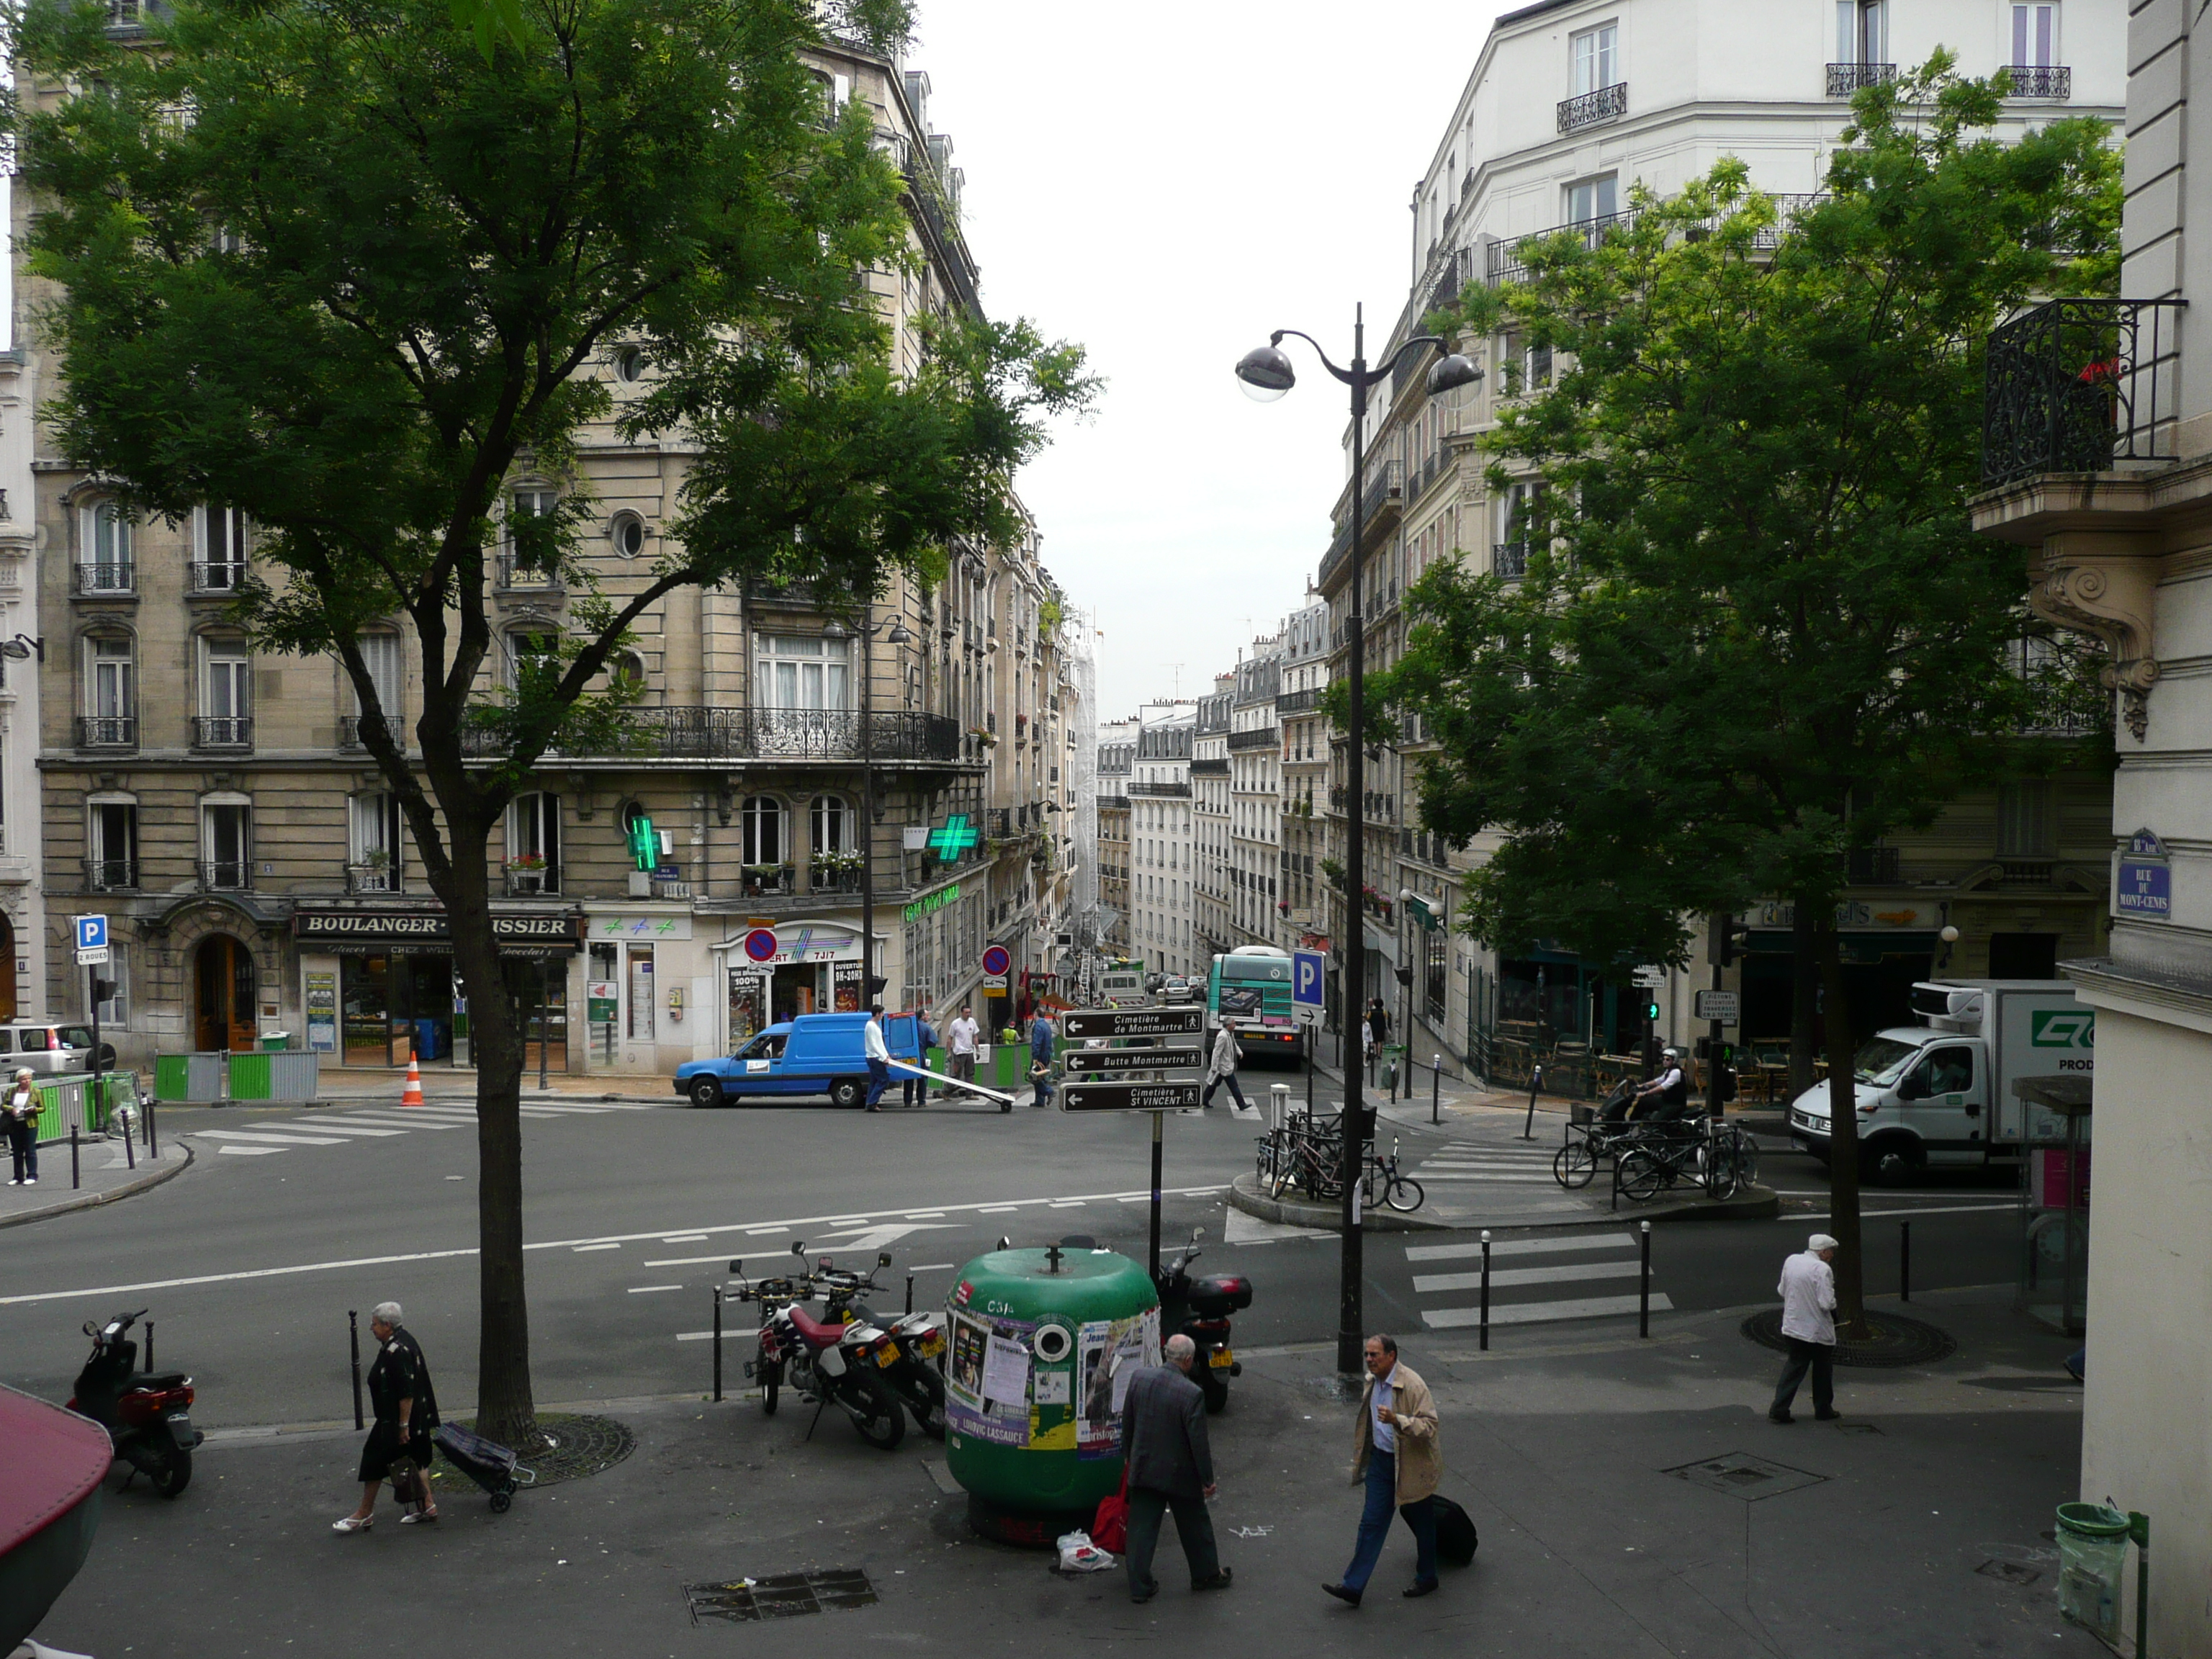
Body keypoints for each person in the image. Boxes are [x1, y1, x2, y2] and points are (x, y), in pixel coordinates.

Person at [1324, 1333, 1440, 1606]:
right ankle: (1353, 1587)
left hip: (1411, 1465)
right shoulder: (1372, 1381)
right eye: (1367, 1354)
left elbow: (1430, 1426)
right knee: (1371, 1522)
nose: (1368, 1360)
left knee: (1422, 1521)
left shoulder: (1413, 1385)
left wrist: (1398, 1420)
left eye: (1374, 1355)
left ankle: (1428, 1576)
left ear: (1392, 1356)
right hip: (1381, 1461)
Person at [1120, 1334, 1232, 1604]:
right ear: (1189, 1360)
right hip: (1179, 1473)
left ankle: (1139, 1585)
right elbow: (1199, 1443)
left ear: (1165, 1353)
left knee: (1141, 1528)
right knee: (1195, 1523)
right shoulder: (1192, 1394)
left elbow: (1128, 1421)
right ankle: (1205, 1575)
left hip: (1145, 1466)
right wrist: (1207, 1480)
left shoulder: (1139, 1379)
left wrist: (1128, 1457)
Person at [335, 1302, 441, 1531]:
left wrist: (403, 1426)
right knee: (415, 1459)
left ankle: (364, 1513)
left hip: (397, 1421)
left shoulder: (397, 1351)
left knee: (373, 1460)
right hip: (414, 1419)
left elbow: (406, 1392)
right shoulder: (403, 1340)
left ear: (387, 1325)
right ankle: (427, 1506)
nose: (371, 1328)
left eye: (374, 1324)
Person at [1770, 1233, 1841, 1424]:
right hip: (1816, 1331)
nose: (1832, 1255)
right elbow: (1826, 1303)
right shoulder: (1822, 1269)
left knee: (1794, 1367)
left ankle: (1779, 1407)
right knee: (1822, 1370)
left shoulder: (1792, 1260)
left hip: (1793, 1326)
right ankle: (1823, 1408)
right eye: (1831, 1252)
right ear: (1824, 1252)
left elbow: (1782, 1291)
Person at [1632, 1047, 1691, 1120]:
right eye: (1663, 1059)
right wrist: (1642, 1085)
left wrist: (1645, 1093)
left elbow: (1663, 1087)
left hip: (1675, 1104)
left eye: (1668, 1059)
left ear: (1674, 1060)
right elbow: (1658, 1081)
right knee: (1643, 1102)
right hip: (1666, 1101)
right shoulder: (1669, 1070)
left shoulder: (1676, 1072)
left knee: (1657, 1122)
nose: (1665, 1061)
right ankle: (1631, 1125)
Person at [1201, 1022, 1248, 1112]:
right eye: (1233, 1024)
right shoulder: (1222, 1036)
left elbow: (1234, 1044)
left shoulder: (1230, 1034)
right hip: (1223, 1067)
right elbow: (1216, 1052)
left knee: (1213, 1085)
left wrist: (1239, 1052)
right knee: (1234, 1086)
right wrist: (1214, 1066)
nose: (1235, 1025)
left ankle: (1204, 1100)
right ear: (1228, 1025)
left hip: (1225, 1067)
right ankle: (1241, 1104)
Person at [4, 1068, 39, 1187]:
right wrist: (11, 1109)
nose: (27, 1081)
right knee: (17, 1152)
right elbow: (3, 1105)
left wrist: (34, 1109)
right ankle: (18, 1177)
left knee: (30, 1151)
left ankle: (32, 1175)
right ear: (19, 1080)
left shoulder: (36, 1092)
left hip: (30, 1124)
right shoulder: (12, 1091)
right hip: (14, 1124)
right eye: (24, 1079)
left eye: (29, 1079)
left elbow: (42, 1107)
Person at [906, 1008, 939, 1107]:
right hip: (921, 1054)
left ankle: (907, 1102)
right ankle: (921, 1101)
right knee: (922, 1079)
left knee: (908, 1078)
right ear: (922, 1017)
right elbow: (933, 1041)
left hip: (909, 1055)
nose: (928, 1018)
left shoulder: (908, 1026)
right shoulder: (926, 1027)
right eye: (927, 1016)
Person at [862, 1007, 893, 1112]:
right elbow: (873, 1044)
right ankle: (872, 1103)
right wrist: (883, 1057)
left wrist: (886, 1055)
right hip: (874, 1058)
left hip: (876, 1057)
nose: (883, 1015)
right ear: (877, 1014)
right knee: (884, 1080)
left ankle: (869, 1103)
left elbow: (880, 1043)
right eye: (882, 1013)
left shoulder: (875, 1025)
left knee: (874, 1081)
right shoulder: (871, 1026)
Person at [948, 1003, 980, 1099]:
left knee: (970, 1074)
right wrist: (949, 1052)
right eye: (966, 1012)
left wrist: (978, 1050)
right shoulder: (955, 1023)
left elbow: (975, 1036)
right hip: (959, 1052)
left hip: (969, 1052)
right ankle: (946, 1092)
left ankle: (969, 1094)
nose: (968, 1014)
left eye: (969, 1012)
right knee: (957, 1074)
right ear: (962, 1013)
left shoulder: (972, 1022)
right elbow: (950, 1038)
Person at [1028, 1010, 1057, 1109]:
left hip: (1040, 1055)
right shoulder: (1046, 1026)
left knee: (1033, 1076)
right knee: (1041, 1076)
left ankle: (1049, 1091)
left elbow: (1037, 1042)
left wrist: (1035, 1057)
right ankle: (1039, 1101)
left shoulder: (1038, 1027)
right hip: (1046, 1054)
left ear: (1035, 1015)